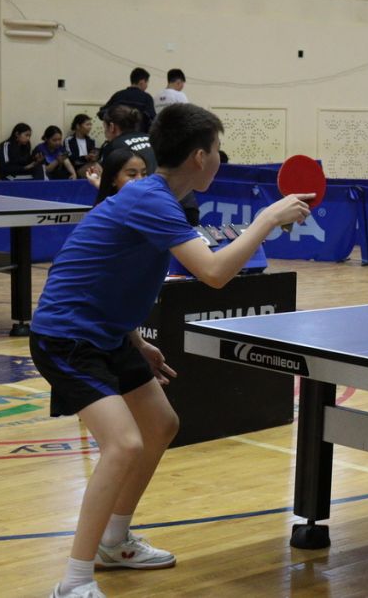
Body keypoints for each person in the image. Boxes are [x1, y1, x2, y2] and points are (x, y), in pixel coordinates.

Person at [30, 104, 311, 598]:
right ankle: (72, 582)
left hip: (110, 334)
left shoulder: (159, 200)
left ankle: (114, 542)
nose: (220, 158)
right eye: (218, 150)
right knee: (124, 444)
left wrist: (136, 340)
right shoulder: (151, 199)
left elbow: (110, 273)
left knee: (160, 424)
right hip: (67, 336)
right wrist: (268, 217)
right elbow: (214, 273)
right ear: (200, 157)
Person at [98, 68, 157, 132]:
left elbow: (102, 113)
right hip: (139, 135)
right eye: (147, 83)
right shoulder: (146, 98)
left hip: (119, 135)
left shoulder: (118, 95)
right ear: (142, 82)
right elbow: (153, 120)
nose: (147, 86)